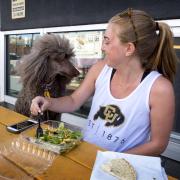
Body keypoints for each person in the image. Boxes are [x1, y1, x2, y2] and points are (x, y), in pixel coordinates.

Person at [30, 8, 178, 156]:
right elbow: (73, 100)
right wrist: (48, 102)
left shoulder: (159, 89)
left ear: (128, 48)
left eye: (107, 41)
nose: (102, 47)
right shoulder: (100, 69)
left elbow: (158, 145)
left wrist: (110, 159)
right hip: (84, 156)